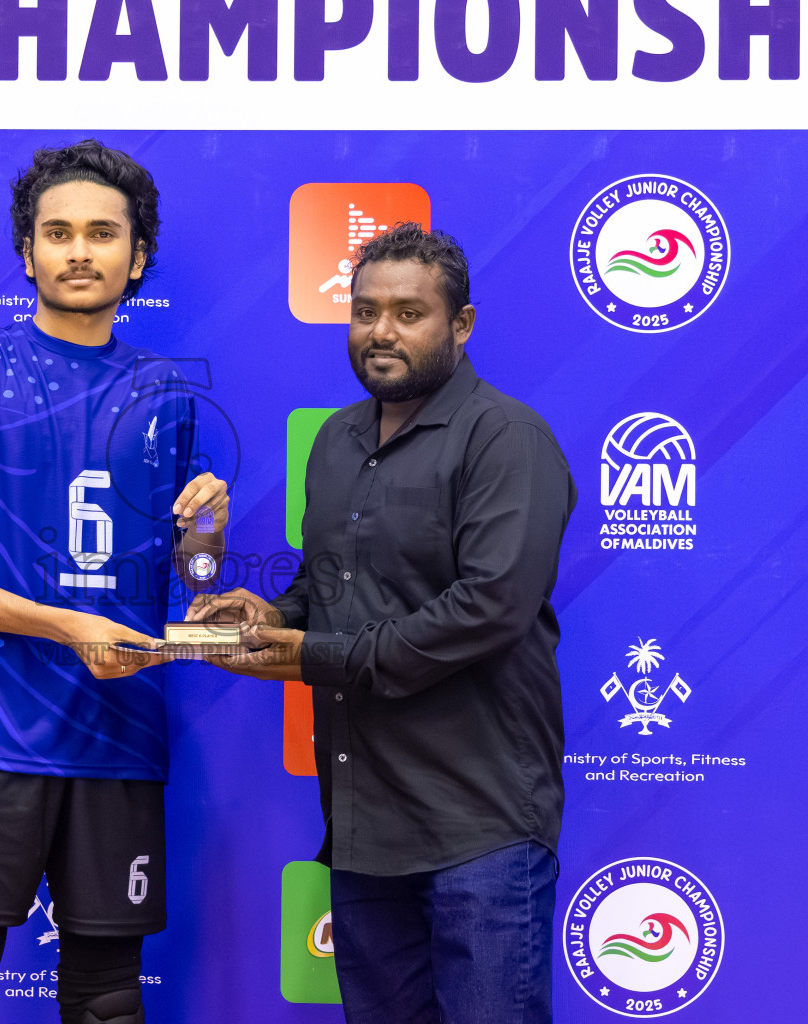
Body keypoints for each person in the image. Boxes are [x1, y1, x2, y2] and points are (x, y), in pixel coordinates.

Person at [0, 140, 228, 1024]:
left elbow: (192, 581)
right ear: (27, 252)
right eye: (58, 232)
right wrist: (64, 626)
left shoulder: (168, 395)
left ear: (137, 256)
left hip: (117, 739)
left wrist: (205, 536)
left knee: (109, 1004)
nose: (80, 251)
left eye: (103, 234)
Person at [196, 223, 575, 1024]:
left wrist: (314, 652)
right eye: (365, 312)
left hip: (481, 826)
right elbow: (328, 584)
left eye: (409, 313)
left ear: (460, 325)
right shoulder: (336, 441)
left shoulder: (508, 438)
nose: (381, 332)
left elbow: (489, 608)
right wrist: (270, 615)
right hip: (366, 826)